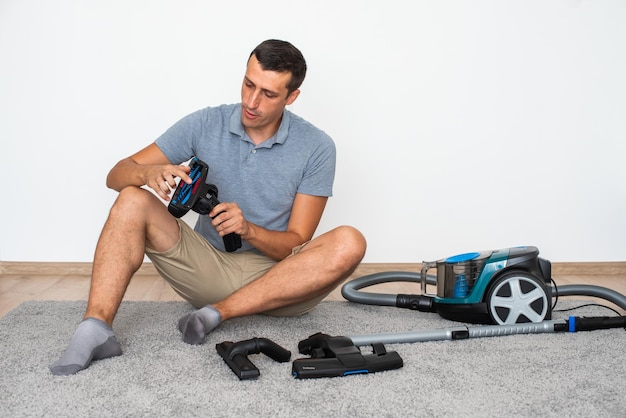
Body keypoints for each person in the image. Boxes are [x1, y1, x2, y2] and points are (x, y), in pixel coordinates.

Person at [49, 39, 367, 375]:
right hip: (209, 268)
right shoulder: (204, 123)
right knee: (131, 198)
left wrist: (249, 231)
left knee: (351, 240)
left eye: (268, 94)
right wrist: (147, 172)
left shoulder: (317, 146)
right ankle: (95, 330)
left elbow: (295, 242)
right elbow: (116, 174)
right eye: (248, 84)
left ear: (292, 97)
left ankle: (216, 314)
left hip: (282, 283)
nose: (252, 102)